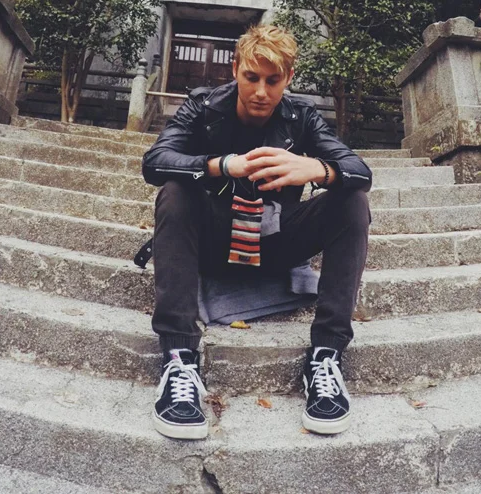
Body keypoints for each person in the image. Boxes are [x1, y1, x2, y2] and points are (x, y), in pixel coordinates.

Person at [141, 24, 372, 440]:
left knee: (351, 199)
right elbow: (155, 162)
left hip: (276, 243)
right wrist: (221, 165)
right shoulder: (202, 106)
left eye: (273, 80)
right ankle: (178, 358)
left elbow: (360, 171)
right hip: (213, 243)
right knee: (174, 192)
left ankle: (326, 355)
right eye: (251, 77)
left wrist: (317, 169)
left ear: (289, 77)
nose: (261, 92)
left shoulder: (302, 116)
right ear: (235, 69)